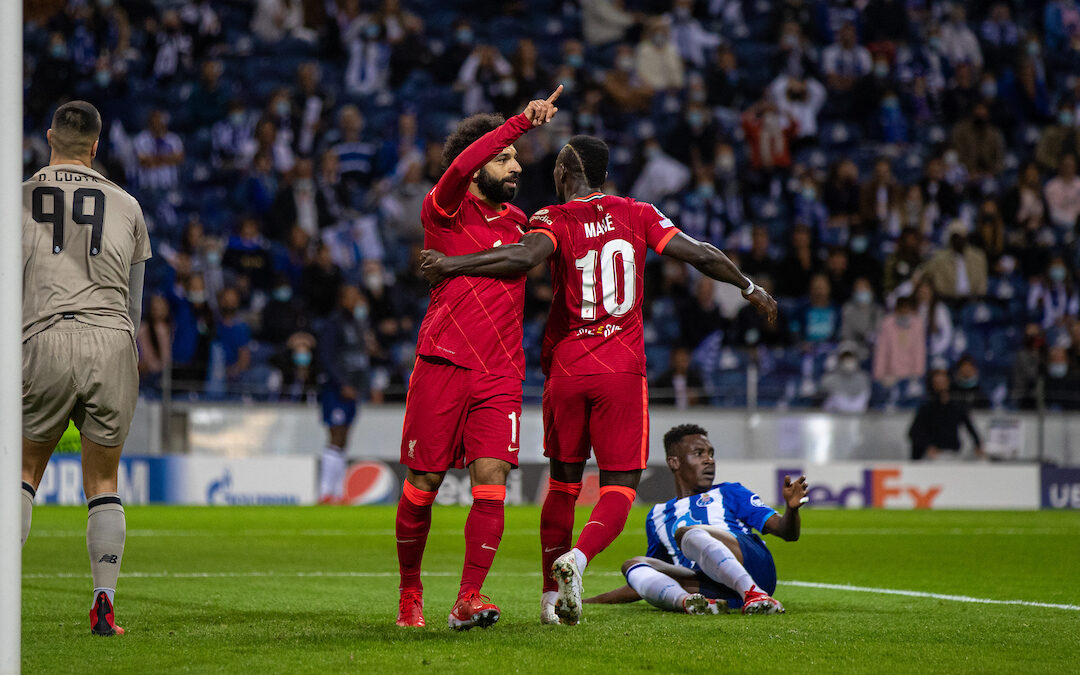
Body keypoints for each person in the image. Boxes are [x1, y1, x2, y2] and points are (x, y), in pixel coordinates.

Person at [420, 134, 776, 626]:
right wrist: (748, 286)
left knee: (563, 484)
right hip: (621, 370)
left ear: (566, 168)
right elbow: (699, 253)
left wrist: (451, 264)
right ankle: (579, 559)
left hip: (567, 368)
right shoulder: (639, 214)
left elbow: (522, 259)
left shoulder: (551, 218)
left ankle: (550, 599)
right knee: (620, 486)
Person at [393, 88, 563, 631]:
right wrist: (519, 123)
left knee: (493, 483)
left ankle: (469, 597)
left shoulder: (520, 221)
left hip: (500, 374)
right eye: (504, 158)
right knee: (422, 487)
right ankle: (410, 591)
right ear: (474, 169)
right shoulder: (443, 209)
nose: (516, 166)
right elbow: (464, 159)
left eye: (515, 159)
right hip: (443, 364)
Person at [21, 101, 152, 636]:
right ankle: (104, 604)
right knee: (103, 481)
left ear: (49, 137)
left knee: (23, 474)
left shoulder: (20, 198)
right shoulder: (128, 205)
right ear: (97, 147)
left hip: (43, 336)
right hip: (112, 341)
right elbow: (136, 306)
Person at [583, 425, 806, 615]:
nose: (709, 460)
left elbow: (787, 532)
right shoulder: (657, 515)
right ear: (674, 462)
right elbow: (650, 580)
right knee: (634, 564)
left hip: (754, 568)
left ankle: (755, 594)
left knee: (687, 534)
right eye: (699, 453)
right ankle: (692, 604)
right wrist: (592, 601)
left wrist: (791, 510)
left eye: (711, 453)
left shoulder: (730, 492)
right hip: (711, 585)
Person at [315, 285, 374, 503]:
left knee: (344, 438)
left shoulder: (358, 325)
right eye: (350, 296)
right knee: (335, 435)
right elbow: (327, 357)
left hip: (352, 389)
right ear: (341, 299)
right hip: (336, 389)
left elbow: (360, 359)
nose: (355, 300)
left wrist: (363, 386)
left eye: (357, 295)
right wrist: (341, 383)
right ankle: (324, 492)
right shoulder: (334, 324)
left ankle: (338, 493)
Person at [909, 369, 984, 460]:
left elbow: (970, 427)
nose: (941, 386)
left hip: (953, 453)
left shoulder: (957, 406)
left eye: (943, 382)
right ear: (932, 385)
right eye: (937, 383)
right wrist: (928, 446)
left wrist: (978, 444)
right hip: (933, 456)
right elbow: (914, 432)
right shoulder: (927, 408)